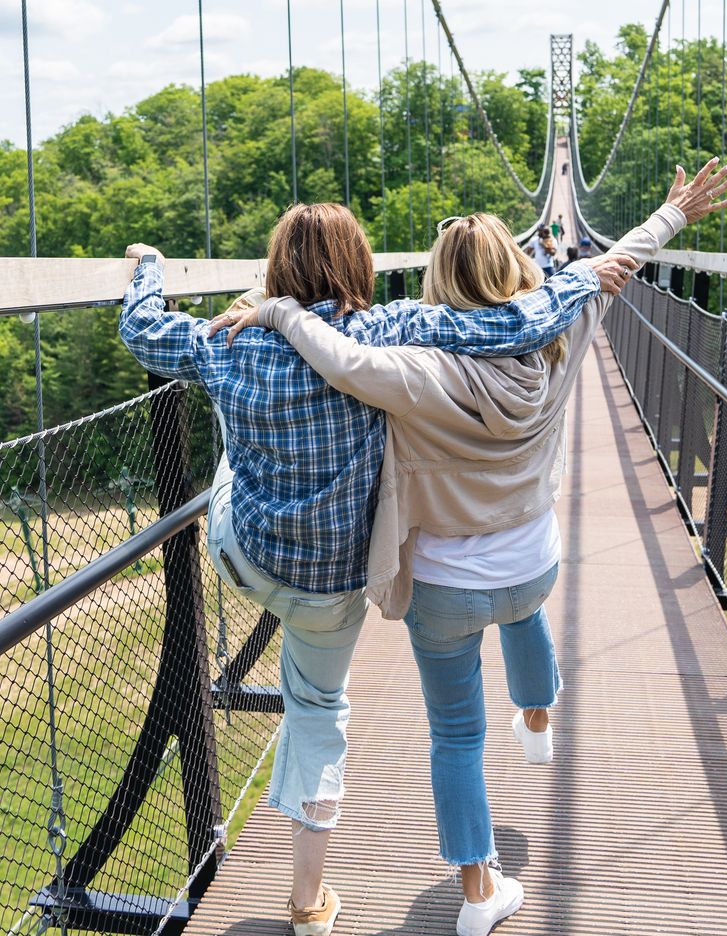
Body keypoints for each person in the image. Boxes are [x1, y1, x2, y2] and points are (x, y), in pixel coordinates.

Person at [211, 160, 727, 936]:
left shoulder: (413, 370)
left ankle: (479, 894)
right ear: (520, 271)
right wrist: (671, 217)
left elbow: (342, 360)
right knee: (523, 609)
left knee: (455, 735)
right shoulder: (565, 332)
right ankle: (537, 715)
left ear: (434, 284)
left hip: (443, 590)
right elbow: (612, 265)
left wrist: (281, 314)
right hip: (532, 564)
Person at [118, 203, 640, 936]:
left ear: (274, 272)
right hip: (336, 579)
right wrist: (582, 279)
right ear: (359, 265)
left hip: (247, 555)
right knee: (320, 713)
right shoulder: (389, 329)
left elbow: (140, 332)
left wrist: (151, 270)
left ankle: (314, 899)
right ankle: (307, 905)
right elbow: (505, 323)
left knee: (234, 462)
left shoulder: (220, 342)